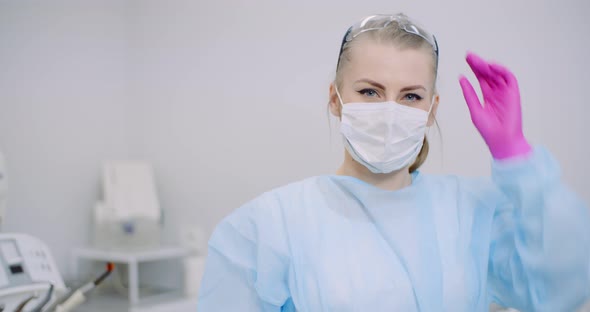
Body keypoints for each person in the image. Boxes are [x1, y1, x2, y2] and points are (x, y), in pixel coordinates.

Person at [197, 13, 590, 311]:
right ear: (335, 100)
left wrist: (517, 158)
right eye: (370, 91)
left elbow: (565, 285)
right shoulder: (264, 228)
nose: (389, 111)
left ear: (432, 109)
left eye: (410, 96)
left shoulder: (472, 212)